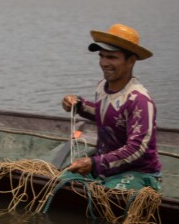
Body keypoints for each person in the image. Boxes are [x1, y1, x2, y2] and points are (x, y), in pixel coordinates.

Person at [60, 23, 161, 190]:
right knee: (61, 181)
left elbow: (137, 149)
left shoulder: (139, 100)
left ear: (131, 61)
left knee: (109, 198)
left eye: (112, 57)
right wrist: (77, 105)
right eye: (102, 56)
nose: (104, 63)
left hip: (137, 171)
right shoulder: (102, 87)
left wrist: (94, 163)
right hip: (106, 166)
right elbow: (106, 114)